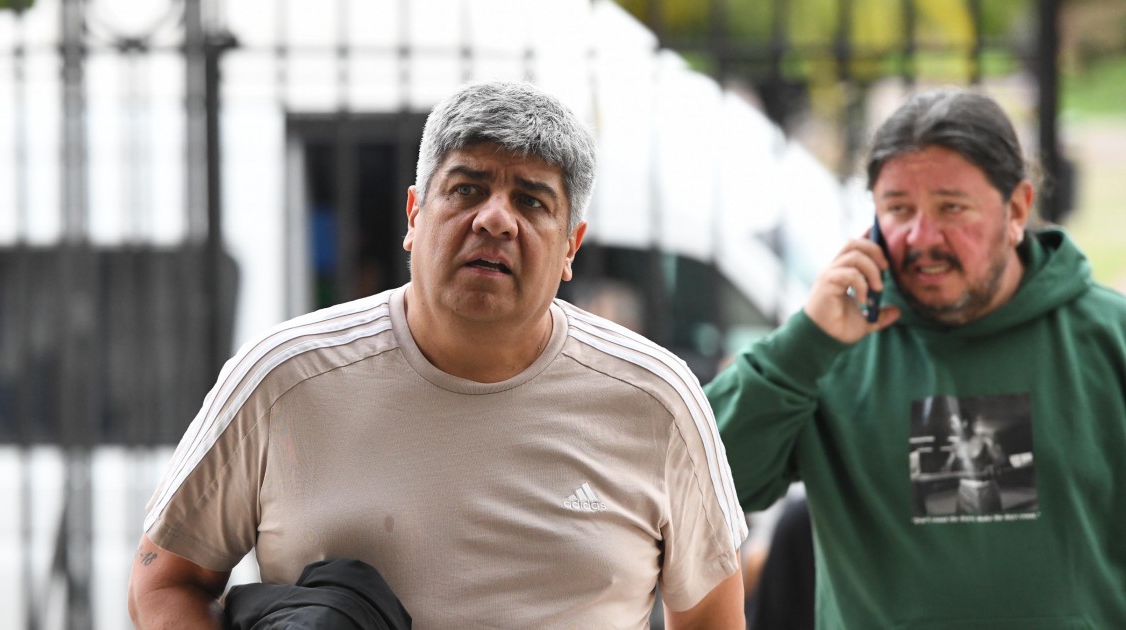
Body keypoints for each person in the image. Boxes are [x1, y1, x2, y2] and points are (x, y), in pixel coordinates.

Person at [128, 80, 748, 629]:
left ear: (571, 247)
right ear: (414, 215)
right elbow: (162, 583)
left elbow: (711, 619)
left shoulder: (658, 399)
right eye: (467, 189)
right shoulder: (284, 377)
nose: (495, 220)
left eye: (532, 201)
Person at [705, 88, 1126, 628]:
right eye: (898, 209)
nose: (921, 237)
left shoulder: (1108, 338)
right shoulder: (831, 350)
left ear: (1017, 208)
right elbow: (697, 485)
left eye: (952, 207)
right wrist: (804, 345)